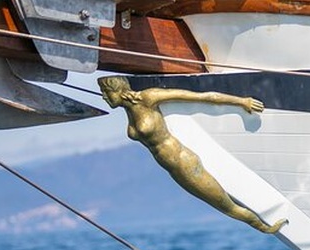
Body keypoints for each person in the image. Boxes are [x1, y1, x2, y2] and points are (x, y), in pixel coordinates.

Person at [98, 76, 287, 234]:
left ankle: (265, 228)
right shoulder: (129, 110)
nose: (104, 97)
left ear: (119, 90)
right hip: (173, 170)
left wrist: (242, 101)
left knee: (227, 207)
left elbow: (200, 97)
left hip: (184, 163)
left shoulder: (148, 97)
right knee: (221, 206)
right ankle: (263, 226)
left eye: (106, 92)